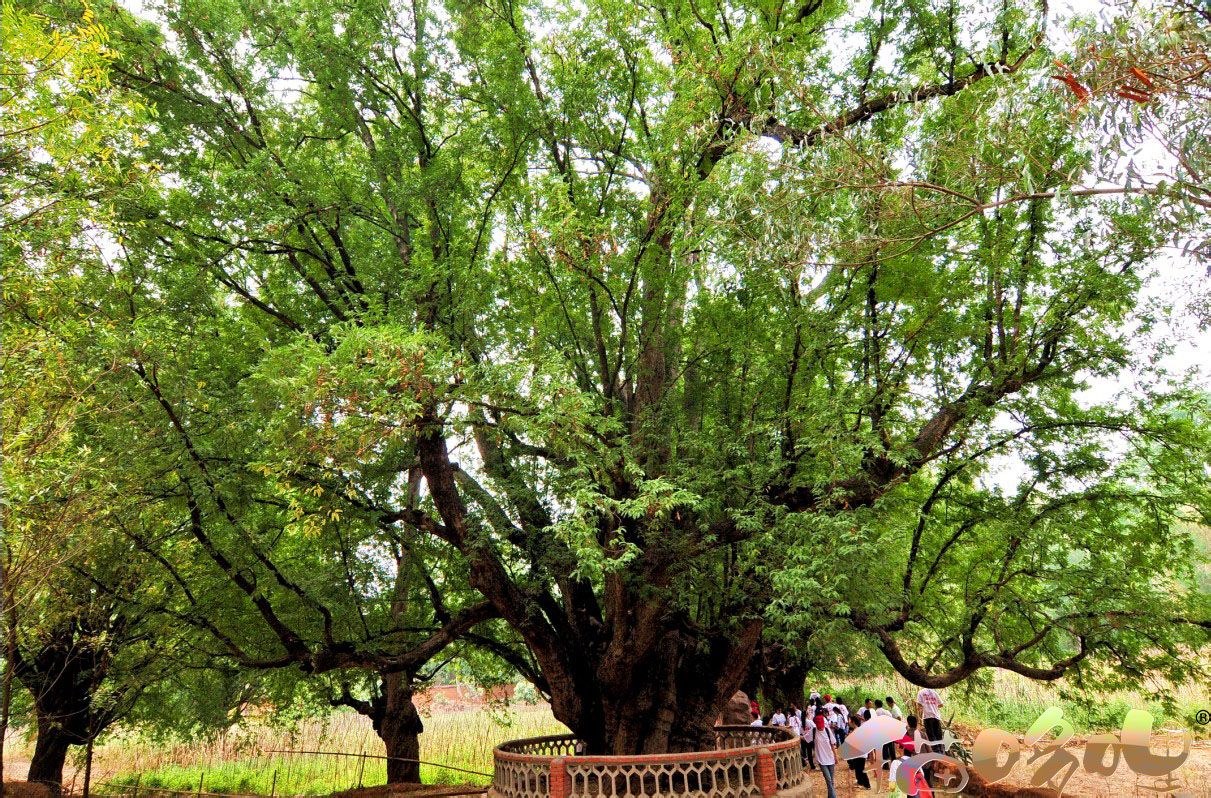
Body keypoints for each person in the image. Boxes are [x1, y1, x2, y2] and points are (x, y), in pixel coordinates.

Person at [811, 708, 838, 798]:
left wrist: (836, 756)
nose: (821, 727)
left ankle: (830, 796)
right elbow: (805, 738)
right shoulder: (814, 731)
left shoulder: (827, 730)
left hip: (830, 758)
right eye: (819, 725)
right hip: (821, 760)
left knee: (831, 781)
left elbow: (832, 744)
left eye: (821, 724)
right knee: (829, 779)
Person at [845, 715, 872, 790]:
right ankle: (860, 782)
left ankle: (867, 785)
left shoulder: (856, 731)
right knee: (858, 769)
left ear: (853, 722)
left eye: (850, 721)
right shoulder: (858, 730)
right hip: (859, 754)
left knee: (861, 770)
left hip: (860, 754)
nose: (849, 722)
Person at [915, 687, 944, 753]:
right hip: (936, 716)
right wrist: (934, 706)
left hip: (927, 716)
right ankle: (941, 751)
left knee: (931, 735)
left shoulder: (921, 692)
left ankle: (936, 752)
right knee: (938, 735)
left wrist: (925, 706)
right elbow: (941, 704)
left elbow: (918, 704)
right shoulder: (934, 692)